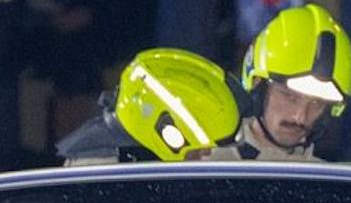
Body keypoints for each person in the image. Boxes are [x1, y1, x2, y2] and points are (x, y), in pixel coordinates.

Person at [216, 2, 351, 160]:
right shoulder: (207, 167)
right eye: (290, 97)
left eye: (316, 103)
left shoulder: (333, 181)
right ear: (256, 85)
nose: (300, 117)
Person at [58, 49, 242, 164]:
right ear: (167, 131)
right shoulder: (100, 175)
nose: (206, 157)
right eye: (201, 152)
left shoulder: (122, 168)